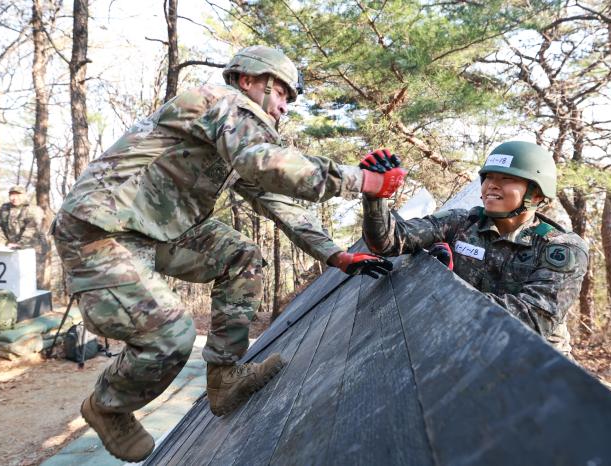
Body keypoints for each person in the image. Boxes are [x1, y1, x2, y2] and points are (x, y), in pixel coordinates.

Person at [51, 45, 406, 462]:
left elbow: (278, 201)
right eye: (282, 95)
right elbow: (267, 164)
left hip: (159, 230)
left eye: (290, 101)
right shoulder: (220, 103)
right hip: (101, 228)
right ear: (250, 81)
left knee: (241, 255)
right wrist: (359, 180)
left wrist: (335, 255)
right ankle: (108, 404)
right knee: (169, 335)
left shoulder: (236, 142)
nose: (284, 109)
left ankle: (224, 377)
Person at [361, 141, 588, 357]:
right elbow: (388, 241)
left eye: (507, 178)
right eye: (488, 177)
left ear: (536, 194)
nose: (492, 185)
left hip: (536, 363)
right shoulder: (461, 222)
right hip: (468, 346)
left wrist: (440, 294)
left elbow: (533, 318)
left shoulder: (560, 248)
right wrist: (375, 197)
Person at [0, 185, 44, 250]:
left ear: (24, 195)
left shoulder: (33, 209)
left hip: (32, 247)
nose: (14, 198)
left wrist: (21, 244)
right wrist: (0, 242)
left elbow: (31, 230)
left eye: (18, 195)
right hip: (11, 247)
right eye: (12, 195)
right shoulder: (5, 208)